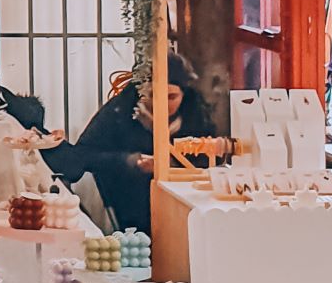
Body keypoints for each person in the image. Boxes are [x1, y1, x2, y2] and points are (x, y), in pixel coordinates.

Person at [47, 53, 212, 232]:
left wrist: (171, 165)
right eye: (153, 95)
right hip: (129, 205)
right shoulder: (121, 110)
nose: (162, 104)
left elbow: (209, 162)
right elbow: (83, 154)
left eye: (171, 97)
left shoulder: (195, 114)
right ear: (141, 92)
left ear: (184, 95)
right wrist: (130, 161)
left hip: (183, 208)